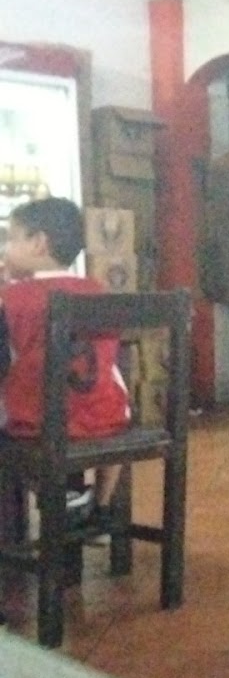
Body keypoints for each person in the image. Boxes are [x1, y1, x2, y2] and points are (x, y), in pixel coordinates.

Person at [0, 196, 131, 526]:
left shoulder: (12, 297)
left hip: (38, 424)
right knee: (113, 390)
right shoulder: (97, 291)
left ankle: (46, 498)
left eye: (10, 239)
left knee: (11, 418)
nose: (4, 248)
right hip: (106, 418)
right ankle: (101, 505)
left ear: (39, 243)